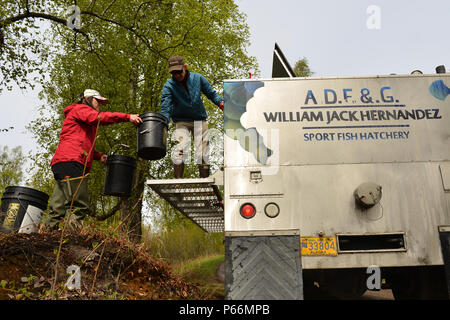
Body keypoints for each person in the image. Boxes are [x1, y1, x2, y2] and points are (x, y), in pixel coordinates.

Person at [43, 89, 143, 230]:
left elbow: (82, 143)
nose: (100, 105)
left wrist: (98, 156)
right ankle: (72, 241)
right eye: (98, 101)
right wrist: (127, 117)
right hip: (72, 162)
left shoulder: (80, 118)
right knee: (79, 205)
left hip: (62, 162)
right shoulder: (80, 109)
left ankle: (46, 237)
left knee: (57, 206)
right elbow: (99, 118)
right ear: (88, 99)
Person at [160, 55, 224, 178]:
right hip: (181, 121)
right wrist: (163, 122)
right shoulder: (169, 86)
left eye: (179, 72)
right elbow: (166, 106)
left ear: (185, 67)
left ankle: (204, 181)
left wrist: (221, 103)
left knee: (202, 151)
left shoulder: (198, 78)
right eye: (174, 73)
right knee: (180, 148)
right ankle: (178, 181)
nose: (177, 76)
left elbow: (211, 94)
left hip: (199, 119)